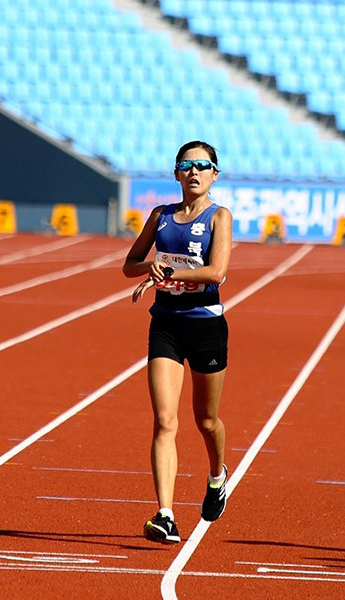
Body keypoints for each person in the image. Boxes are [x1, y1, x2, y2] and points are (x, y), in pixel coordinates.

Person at [123, 140, 232, 544]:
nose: (194, 172)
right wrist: (149, 267)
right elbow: (128, 266)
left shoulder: (220, 216)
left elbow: (218, 272)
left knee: (206, 421)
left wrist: (169, 273)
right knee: (165, 421)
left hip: (205, 325)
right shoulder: (161, 216)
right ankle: (165, 514)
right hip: (165, 324)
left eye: (202, 166)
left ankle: (218, 475)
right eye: (187, 165)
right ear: (175, 174)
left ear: (214, 175)